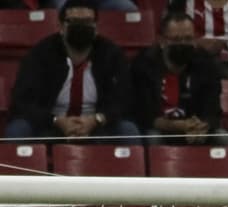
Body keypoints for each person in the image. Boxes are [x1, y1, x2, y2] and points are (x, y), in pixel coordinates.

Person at [5, 0, 140, 144]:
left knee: (128, 130)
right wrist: (55, 120)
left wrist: (97, 119)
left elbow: (124, 99)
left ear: (96, 27)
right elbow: (22, 101)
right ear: (61, 27)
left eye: (88, 21)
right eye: (74, 21)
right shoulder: (40, 54)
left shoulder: (112, 55)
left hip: (97, 124)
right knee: (17, 129)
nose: (81, 26)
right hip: (51, 123)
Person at [131, 11, 228, 147]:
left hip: (194, 131)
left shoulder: (205, 63)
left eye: (188, 39)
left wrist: (202, 126)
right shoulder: (144, 65)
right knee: (153, 137)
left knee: (222, 137)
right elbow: (144, 116)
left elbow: (213, 110)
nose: (183, 44)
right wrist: (179, 126)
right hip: (162, 130)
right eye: (176, 39)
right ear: (162, 40)